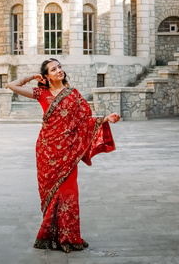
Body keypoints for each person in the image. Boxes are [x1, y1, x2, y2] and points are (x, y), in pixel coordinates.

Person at [8, 58, 120, 253]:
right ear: (47, 76)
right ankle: (50, 236)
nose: (59, 70)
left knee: (69, 192)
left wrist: (105, 119)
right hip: (47, 150)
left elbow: (84, 120)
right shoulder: (41, 93)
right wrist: (32, 77)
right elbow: (12, 85)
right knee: (52, 195)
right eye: (53, 69)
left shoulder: (73, 94)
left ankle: (69, 237)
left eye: (59, 67)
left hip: (68, 151)